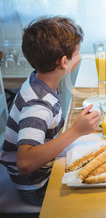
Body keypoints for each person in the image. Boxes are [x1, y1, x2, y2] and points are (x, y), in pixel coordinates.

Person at [0, 17, 100, 206]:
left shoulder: (39, 80)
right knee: (98, 197)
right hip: (37, 187)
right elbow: (25, 163)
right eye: (78, 51)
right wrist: (76, 131)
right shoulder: (37, 105)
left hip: (45, 171)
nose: (80, 54)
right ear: (64, 62)